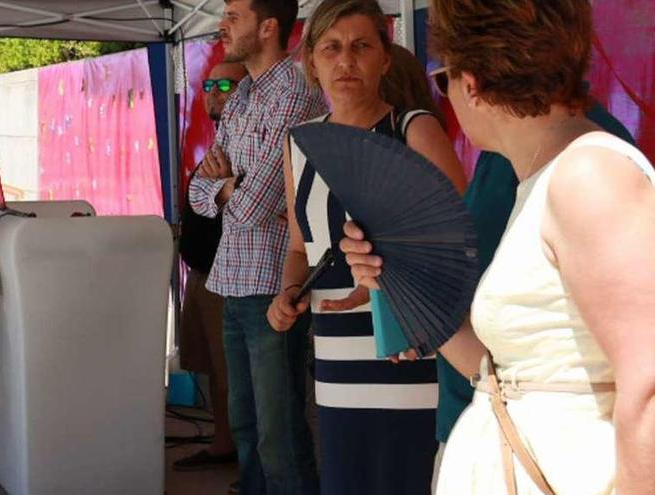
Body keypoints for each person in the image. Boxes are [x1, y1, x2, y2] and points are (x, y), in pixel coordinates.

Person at [341, 1, 655, 493]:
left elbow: (650, 390)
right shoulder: (545, 178)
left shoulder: (588, 175)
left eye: (440, 80)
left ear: (473, 83)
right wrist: (397, 277)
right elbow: (499, 373)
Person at [266, 1, 466, 493]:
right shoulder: (300, 142)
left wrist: (394, 286)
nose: (345, 61)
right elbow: (300, 245)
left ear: (385, 59)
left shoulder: (413, 129)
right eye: (331, 48)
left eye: (361, 47)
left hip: (408, 350)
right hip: (335, 359)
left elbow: (462, 244)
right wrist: (288, 290)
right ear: (311, 61)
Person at [188, 0, 327, 492]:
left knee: (278, 435)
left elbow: (255, 207)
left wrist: (223, 188)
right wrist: (226, 187)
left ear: (269, 27)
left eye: (234, 15)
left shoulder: (294, 92)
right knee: (247, 428)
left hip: (274, 288)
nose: (222, 25)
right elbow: (197, 191)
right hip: (233, 280)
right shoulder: (244, 92)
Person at [173, 61, 246, 473]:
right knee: (212, 371)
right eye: (208, 84)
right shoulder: (219, 141)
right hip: (200, 273)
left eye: (225, 84)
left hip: (230, 277)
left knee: (230, 373)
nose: (214, 92)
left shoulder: (249, 144)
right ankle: (223, 443)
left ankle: (245, 460)